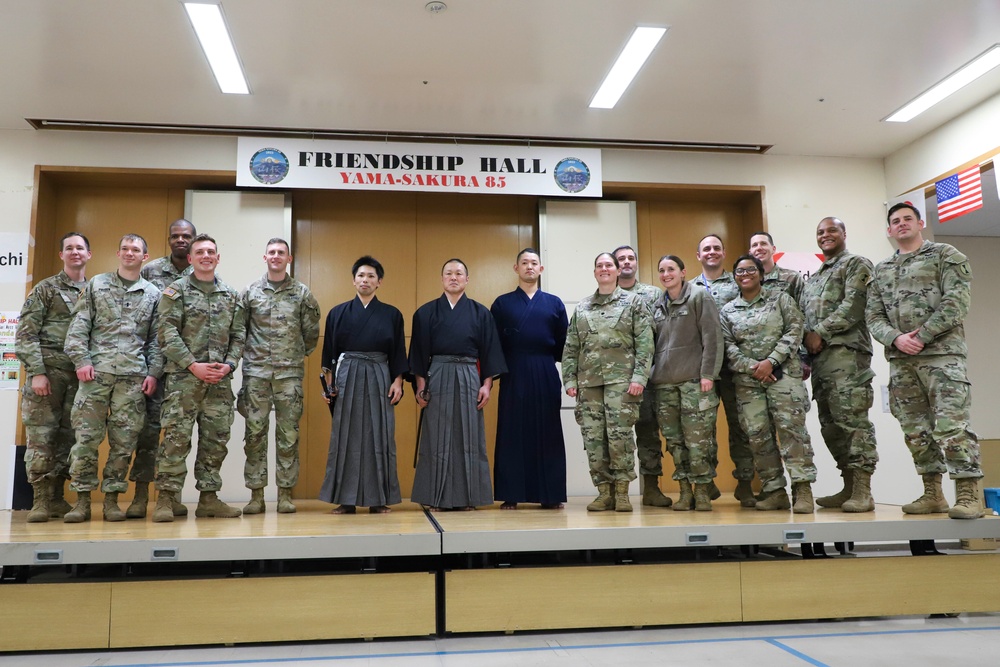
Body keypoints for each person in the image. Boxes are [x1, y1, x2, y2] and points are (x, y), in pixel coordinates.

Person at [866, 203, 982, 519]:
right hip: (902, 361)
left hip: (943, 356)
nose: (901, 224)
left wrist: (922, 335)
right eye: (895, 221)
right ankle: (933, 493)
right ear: (889, 230)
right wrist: (896, 338)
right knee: (915, 429)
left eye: (907, 219)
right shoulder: (881, 269)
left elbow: (956, 303)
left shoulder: (946, 255)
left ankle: (968, 494)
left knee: (951, 424)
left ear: (920, 223)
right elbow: (873, 316)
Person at [62, 234, 162, 522]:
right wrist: (81, 360)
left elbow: (156, 341)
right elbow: (79, 327)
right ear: (118, 253)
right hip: (96, 375)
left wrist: (153, 373)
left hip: (132, 378)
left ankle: (111, 501)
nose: (130, 253)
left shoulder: (153, 294)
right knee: (85, 440)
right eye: (125, 249)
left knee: (124, 442)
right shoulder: (97, 285)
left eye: (136, 250)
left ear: (145, 257)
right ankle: (81, 502)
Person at [153, 233, 246, 522]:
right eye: (200, 252)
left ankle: (208, 499)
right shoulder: (175, 291)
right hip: (184, 380)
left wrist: (230, 365)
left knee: (215, 441)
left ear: (217, 258)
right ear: (191, 259)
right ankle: (166, 499)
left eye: (211, 252)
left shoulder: (230, 295)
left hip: (219, 382)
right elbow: (166, 334)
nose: (206, 255)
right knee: (176, 439)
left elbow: (239, 334)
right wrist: (193, 365)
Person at [720, 255, 817, 513]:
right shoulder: (728, 311)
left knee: (791, 432)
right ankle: (774, 491)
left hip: (783, 375)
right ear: (735, 277)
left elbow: (794, 330)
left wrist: (771, 362)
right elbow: (728, 347)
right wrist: (755, 368)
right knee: (757, 435)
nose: (745, 274)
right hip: (749, 382)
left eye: (751, 269)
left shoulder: (781, 299)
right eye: (739, 271)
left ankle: (802, 490)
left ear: (761, 274)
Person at [408, 259, 506, 510]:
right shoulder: (425, 313)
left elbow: (489, 352)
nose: (454, 277)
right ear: (442, 279)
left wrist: (487, 385)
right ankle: (434, 497)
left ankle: (469, 497)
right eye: (449, 273)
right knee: (436, 438)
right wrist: (420, 386)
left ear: (467, 279)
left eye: (459, 273)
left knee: (469, 437)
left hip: (468, 376)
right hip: (437, 375)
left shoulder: (481, 313)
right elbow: (418, 354)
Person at [562, 252, 653, 513]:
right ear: (594, 273)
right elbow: (571, 347)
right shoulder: (582, 307)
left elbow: (645, 344)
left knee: (620, 438)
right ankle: (604, 492)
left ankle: (622, 493)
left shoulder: (634, 302)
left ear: (616, 271)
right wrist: (569, 379)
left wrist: (639, 378)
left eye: (608, 265)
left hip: (622, 384)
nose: (604, 269)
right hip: (588, 385)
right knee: (593, 439)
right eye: (599, 265)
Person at [800, 217, 878, 513]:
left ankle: (863, 490)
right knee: (830, 425)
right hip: (821, 361)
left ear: (844, 233)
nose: (825, 235)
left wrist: (821, 332)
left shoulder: (856, 264)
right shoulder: (815, 277)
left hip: (847, 355)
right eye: (820, 232)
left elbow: (855, 304)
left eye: (832, 230)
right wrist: (807, 342)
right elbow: (806, 318)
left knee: (852, 420)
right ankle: (848, 484)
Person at [239, 238, 320, 514]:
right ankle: (256, 495)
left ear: (290, 258)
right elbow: (240, 331)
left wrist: (292, 356)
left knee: (288, 436)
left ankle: (285, 494)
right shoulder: (250, 292)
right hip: (256, 375)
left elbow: (311, 334)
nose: (276, 256)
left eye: (280, 253)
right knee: (254, 435)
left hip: (288, 376)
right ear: (265, 258)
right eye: (271, 252)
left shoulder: (302, 293)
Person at [319, 256, 406, 514]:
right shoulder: (338, 313)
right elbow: (329, 354)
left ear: (379, 282)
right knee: (346, 436)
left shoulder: (392, 314)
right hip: (347, 376)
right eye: (360, 276)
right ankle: (346, 500)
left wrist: (398, 381)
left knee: (380, 434)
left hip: (380, 374)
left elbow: (399, 353)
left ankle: (378, 499)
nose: (365, 280)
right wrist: (329, 387)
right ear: (353, 280)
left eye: (370, 276)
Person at [16, 232, 92, 522]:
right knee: (41, 436)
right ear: (62, 255)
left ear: (88, 254)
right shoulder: (45, 289)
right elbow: (25, 334)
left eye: (80, 248)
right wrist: (36, 372)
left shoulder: (95, 290)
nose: (75, 252)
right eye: (69, 248)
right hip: (47, 373)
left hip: (80, 376)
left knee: (69, 438)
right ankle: (40, 500)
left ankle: (58, 497)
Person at [490, 248, 569, 510]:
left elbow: (563, 344)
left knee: (548, 429)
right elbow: (494, 344)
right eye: (524, 263)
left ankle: (550, 493)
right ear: (516, 268)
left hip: (545, 368)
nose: (529, 267)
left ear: (541, 269)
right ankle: (511, 493)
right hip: (513, 370)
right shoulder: (502, 303)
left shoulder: (555, 303)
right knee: (513, 430)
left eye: (534, 263)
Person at [129, 218, 196, 519]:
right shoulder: (150, 270)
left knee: (177, 436)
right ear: (169, 240)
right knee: (148, 433)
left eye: (186, 236)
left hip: (185, 369)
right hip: (154, 367)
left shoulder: (203, 272)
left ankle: (171, 497)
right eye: (176, 236)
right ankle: (140, 496)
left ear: (194, 240)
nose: (181, 240)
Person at [650, 255, 723, 511]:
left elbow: (712, 337)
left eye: (671, 269)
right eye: (661, 270)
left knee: (699, 441)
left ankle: (702, 491)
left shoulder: (699, 296)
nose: (666, 274)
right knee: (675, 442)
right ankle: (684, 491)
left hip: (694, 381)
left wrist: (708, 374)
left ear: (683, 272)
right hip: (664, 384)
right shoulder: (657, 304)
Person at [693, 234, 756, 506]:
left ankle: (744, 483)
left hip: (734, 367)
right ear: (698, 255)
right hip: (703, 369)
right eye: (706, 248)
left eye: (716, 248)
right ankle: (706, 484)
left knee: (741, 426)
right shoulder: (689, 288)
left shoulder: (738, 282)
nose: (711, 252)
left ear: (724, 252)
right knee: (702, 429)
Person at [613, 245, 673, 508]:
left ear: (636, 263)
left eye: (631, 258)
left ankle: (651, 488)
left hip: (647, 377)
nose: (626, 262)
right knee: (615, 435)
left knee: (649, 432)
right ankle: (616, 491)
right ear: (614, 266)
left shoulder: (653, 294)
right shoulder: (605, 295)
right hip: (614, 379)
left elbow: (664, 332)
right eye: (621, 259)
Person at [749, 231, 803, 303]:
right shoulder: (746, 280)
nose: (759, 248)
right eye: (755, 245)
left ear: (773, 249)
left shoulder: (792, 277)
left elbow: (803, 308)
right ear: (750, 252)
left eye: (763, 243)